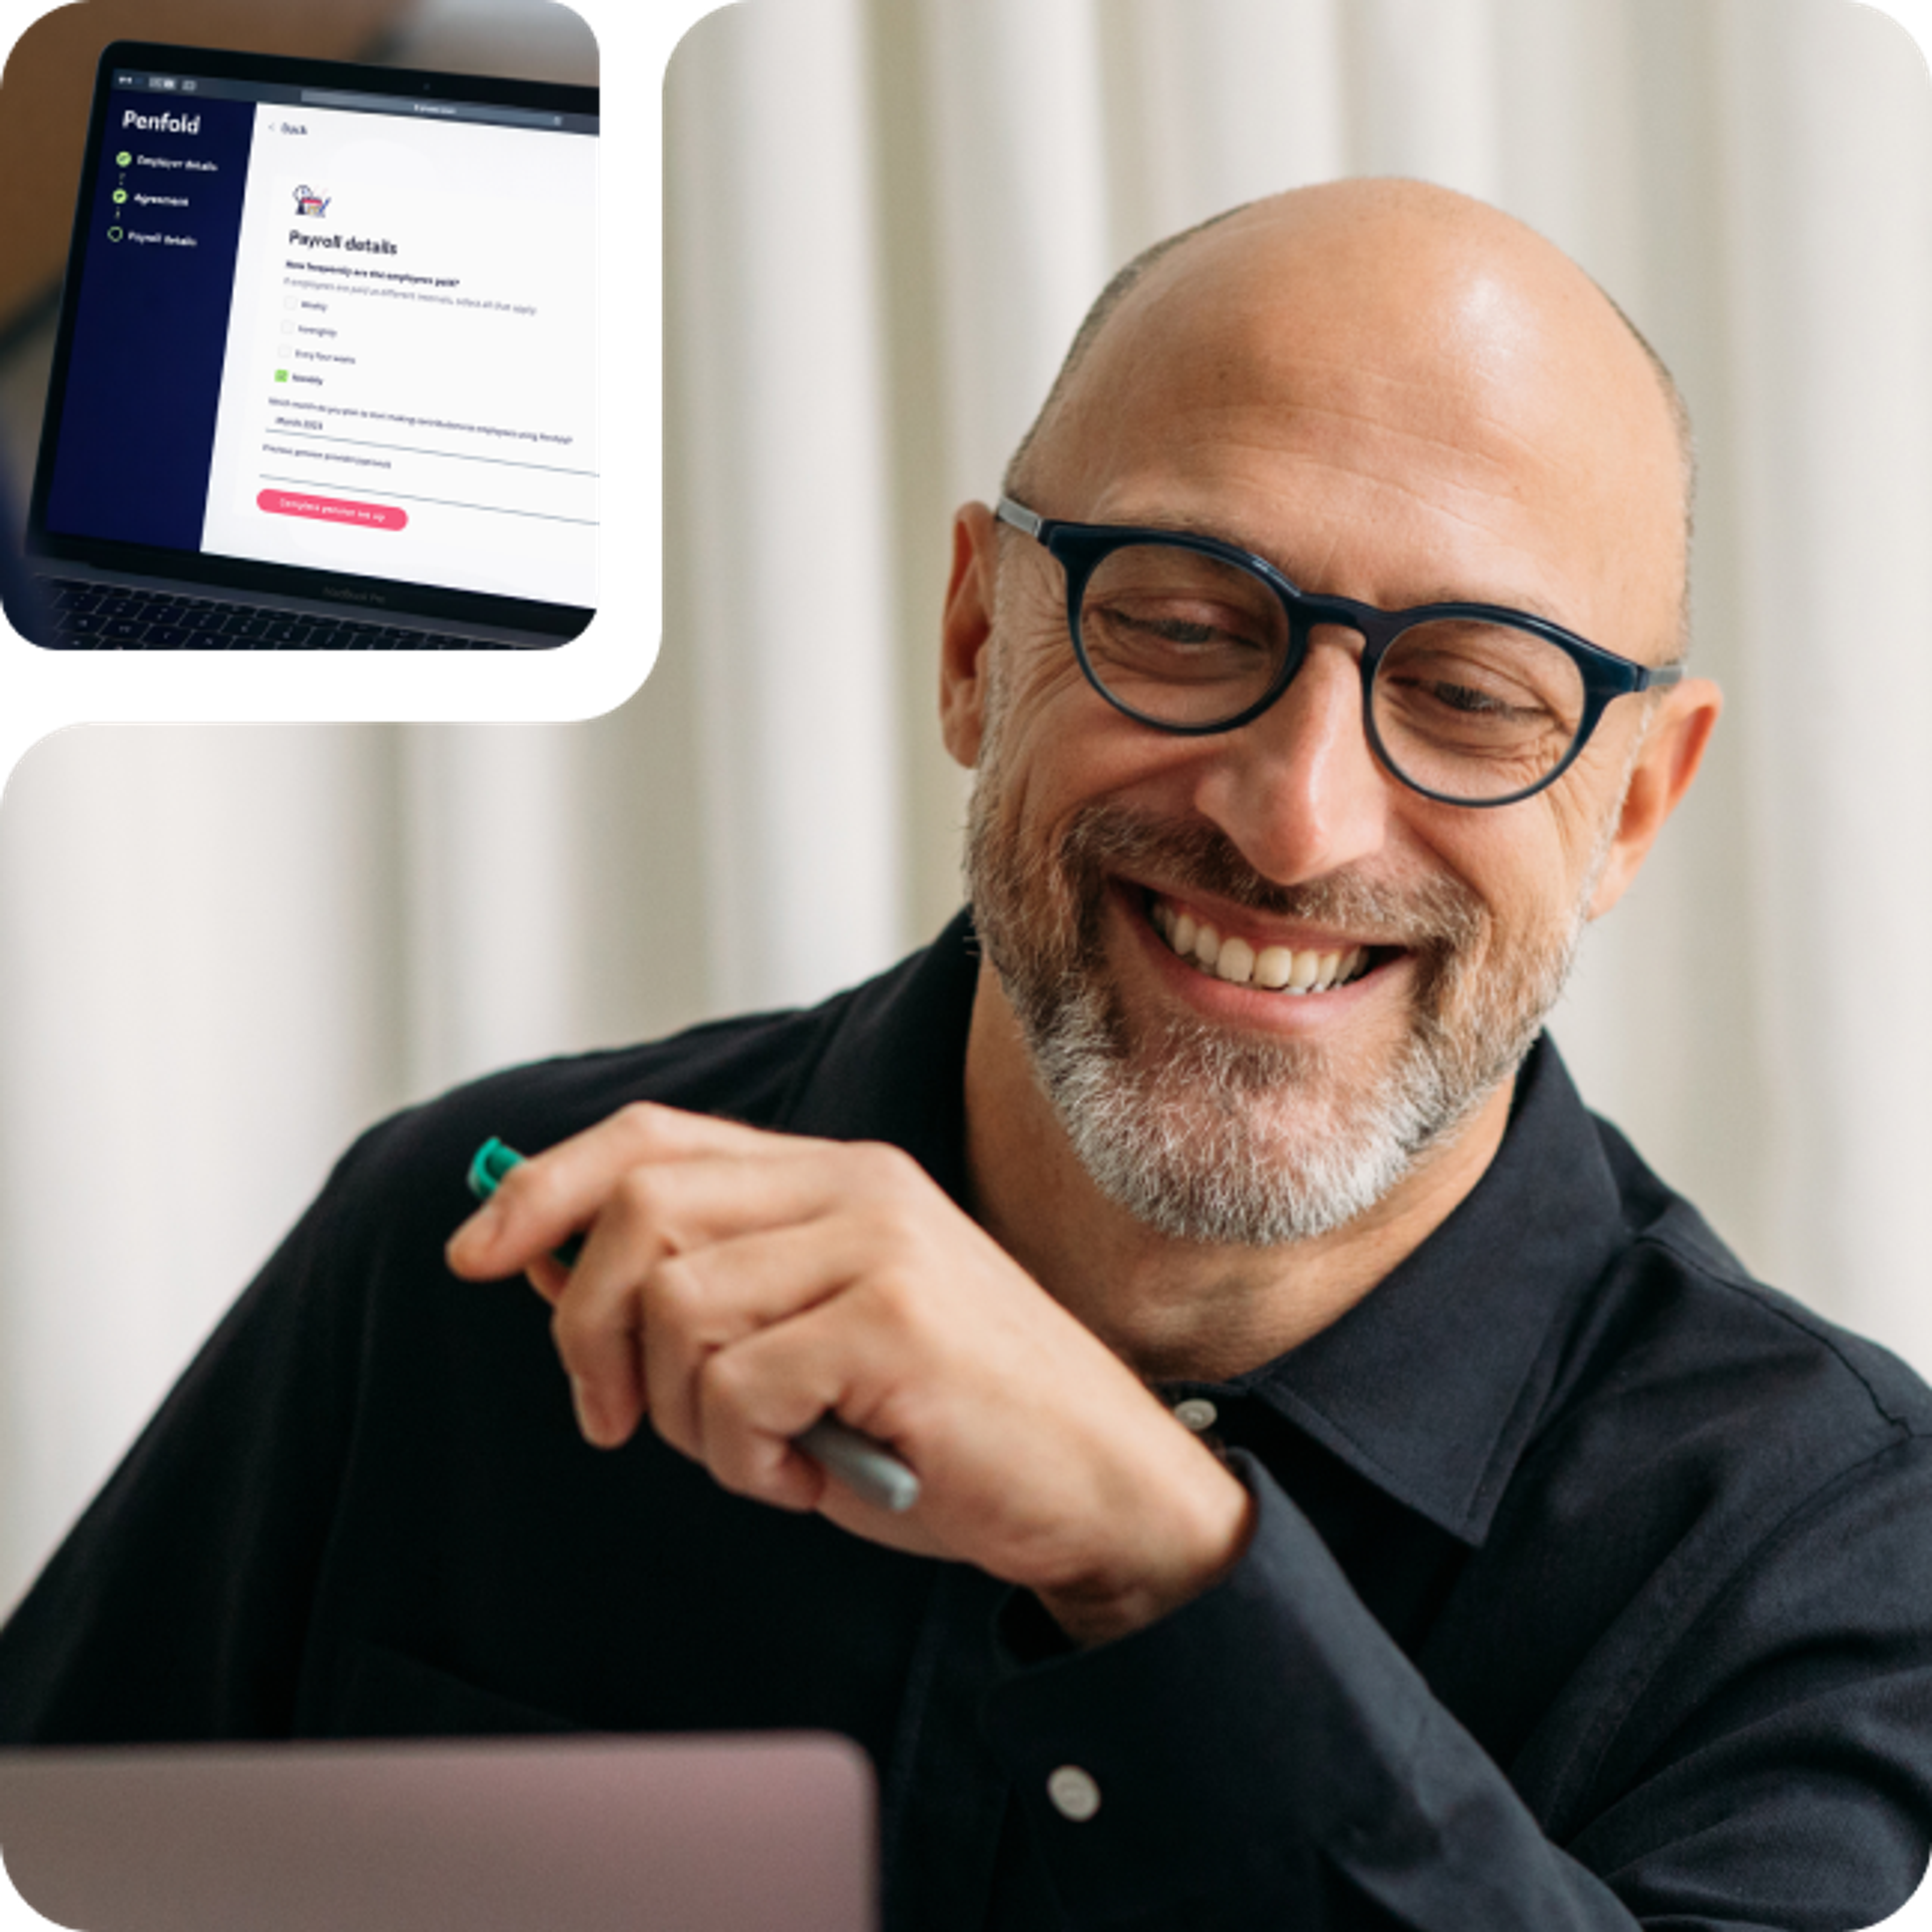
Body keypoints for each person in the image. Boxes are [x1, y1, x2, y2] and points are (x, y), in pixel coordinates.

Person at [2, 178, 1927, 1928]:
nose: (1298, 818)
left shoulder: (1842, 1561)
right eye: (1184, 622)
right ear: (970, 641)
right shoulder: (466, 1247)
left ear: (1633, 813)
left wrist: (1167, 1559)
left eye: (1473, 695)